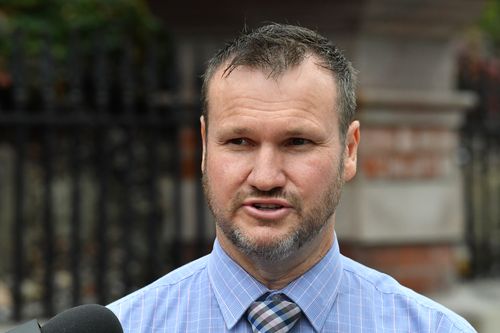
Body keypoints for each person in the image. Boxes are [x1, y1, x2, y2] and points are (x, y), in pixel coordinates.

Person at [108, 23, 476, 333]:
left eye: (297, 142)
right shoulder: (129, 326)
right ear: (205, 146)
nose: (265, 177)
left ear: (350, 150)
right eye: (239, 142)